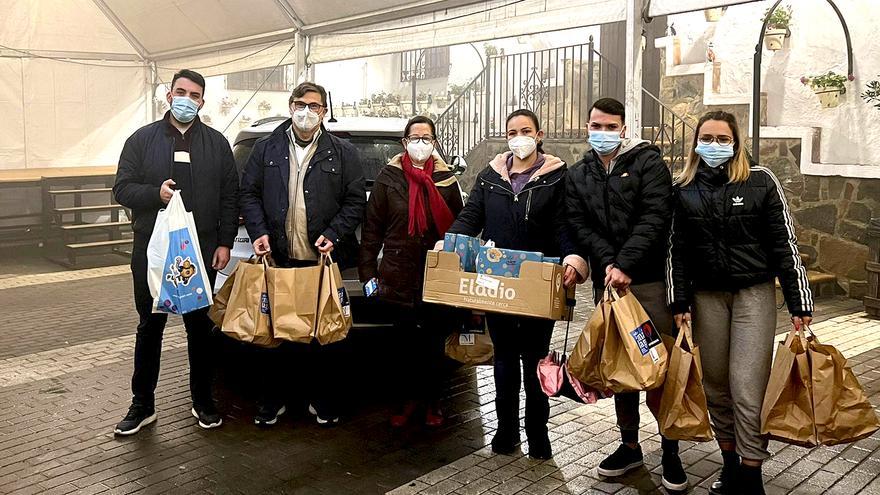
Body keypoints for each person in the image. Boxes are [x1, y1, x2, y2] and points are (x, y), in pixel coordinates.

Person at [667, 110, 813, 495]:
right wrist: (678, 300)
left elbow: (785, 244)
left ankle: (751, 472)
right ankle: (729, 463)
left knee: (747, 385)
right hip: (706, 297)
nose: (714, 145)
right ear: (695, 142)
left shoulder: (760, 181)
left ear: (736, 142)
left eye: (722, 138)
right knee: (716, 386)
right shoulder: (682, 187)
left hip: (753, 295)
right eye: (707, 138)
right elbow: (676, 251)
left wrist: (799, 302)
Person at [441, 109, 587, 459]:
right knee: (504, 357)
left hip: (539, 279)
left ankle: (538, 434)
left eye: (526, 130)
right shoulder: (491, 176)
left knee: (534, 357)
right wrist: (450, 243)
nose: (519, 136)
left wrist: (572, 257)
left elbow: (565, 224)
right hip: (497, 281)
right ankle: (505, 432)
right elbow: (472, 215)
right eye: (512, 131)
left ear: (538, 135)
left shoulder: (556, 176)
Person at [565, 97, 687, 491]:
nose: (602, 133)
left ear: (623, 127)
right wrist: (608, 264)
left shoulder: (648, 163)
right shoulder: (579, 172)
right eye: (596, 125)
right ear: (587, 126)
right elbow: (579, 224)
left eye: (610, 126)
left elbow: (656, 216)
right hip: (609, 284)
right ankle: (629, 444)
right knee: (619, 363)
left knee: (657, 363)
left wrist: (627, 265)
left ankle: (671, 450)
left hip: (648, 283)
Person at [113, 69, 239, 435]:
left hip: (200, 251)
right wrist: (156, 194)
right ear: (169, 95)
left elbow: (229, 196)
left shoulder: (217, 144)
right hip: (152, 251)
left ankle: (203, 400)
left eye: (194, 94)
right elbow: (122, 188)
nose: (187, 99)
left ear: (202, 101)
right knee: (149, 326)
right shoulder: (142, 140)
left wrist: (224, 242)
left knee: (200, 329)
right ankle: (142, 405)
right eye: (180, 91)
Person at [239, 81, 365, 427]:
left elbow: (355, 201)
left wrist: (333, 234)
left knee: (321, 335)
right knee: (277, 334)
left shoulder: (342, 152)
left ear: (324, 111)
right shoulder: (266, 148)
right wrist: (259, 232)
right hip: (279, 257)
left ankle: (321, 400)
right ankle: (273, 401)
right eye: (300, 103)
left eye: (315, 105)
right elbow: (248, 193)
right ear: (290, 105)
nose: (306, 111)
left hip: (320, 261)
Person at [358, 116, 464, 427]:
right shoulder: (388, 179)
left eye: (426, 138)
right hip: (397, 272)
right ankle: (406, 401)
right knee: (403, 344)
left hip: (436, 274)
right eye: (414, 138)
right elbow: (372, 229)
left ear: (434, 143)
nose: (420, 143)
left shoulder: (446, 180)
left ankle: (433, 401)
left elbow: (462, 226)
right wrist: (368, 274)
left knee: (434, 343)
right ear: (405, 143)